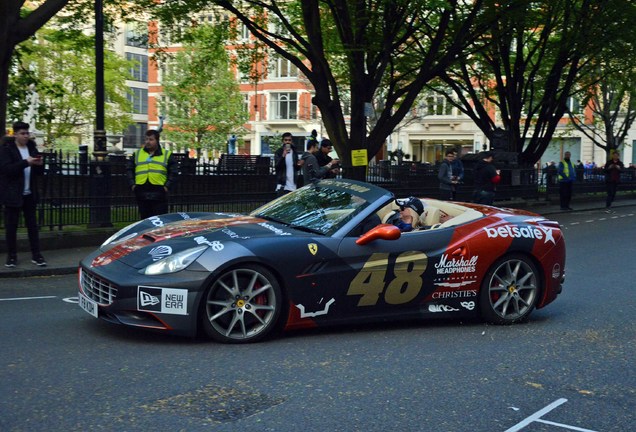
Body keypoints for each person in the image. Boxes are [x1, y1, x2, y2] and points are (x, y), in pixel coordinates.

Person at [0, 122, 46, 267]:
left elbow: (38, 173)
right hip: (13, 194)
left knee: (32, 226)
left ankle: (36, 255)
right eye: (22, 133)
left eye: (27, 133)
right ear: (15, 134)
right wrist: (26, 162)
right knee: (11, 227)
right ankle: (12, 256)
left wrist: (39, 165)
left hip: (29, 194)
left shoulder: (31, 147)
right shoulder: (7, 149)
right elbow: (8, 170)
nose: (26, 136)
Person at [126, 129, 178, 219]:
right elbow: (129, 169)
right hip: (141, 189)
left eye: (151, 139)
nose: (147, 142)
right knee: (145, 218)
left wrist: (167, 186)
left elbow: (173, 172)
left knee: (160, 219)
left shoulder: (167, 154)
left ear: (157, 141)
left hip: (159, 190)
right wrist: (133, 185)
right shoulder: (137, 154)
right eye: (146, 139)